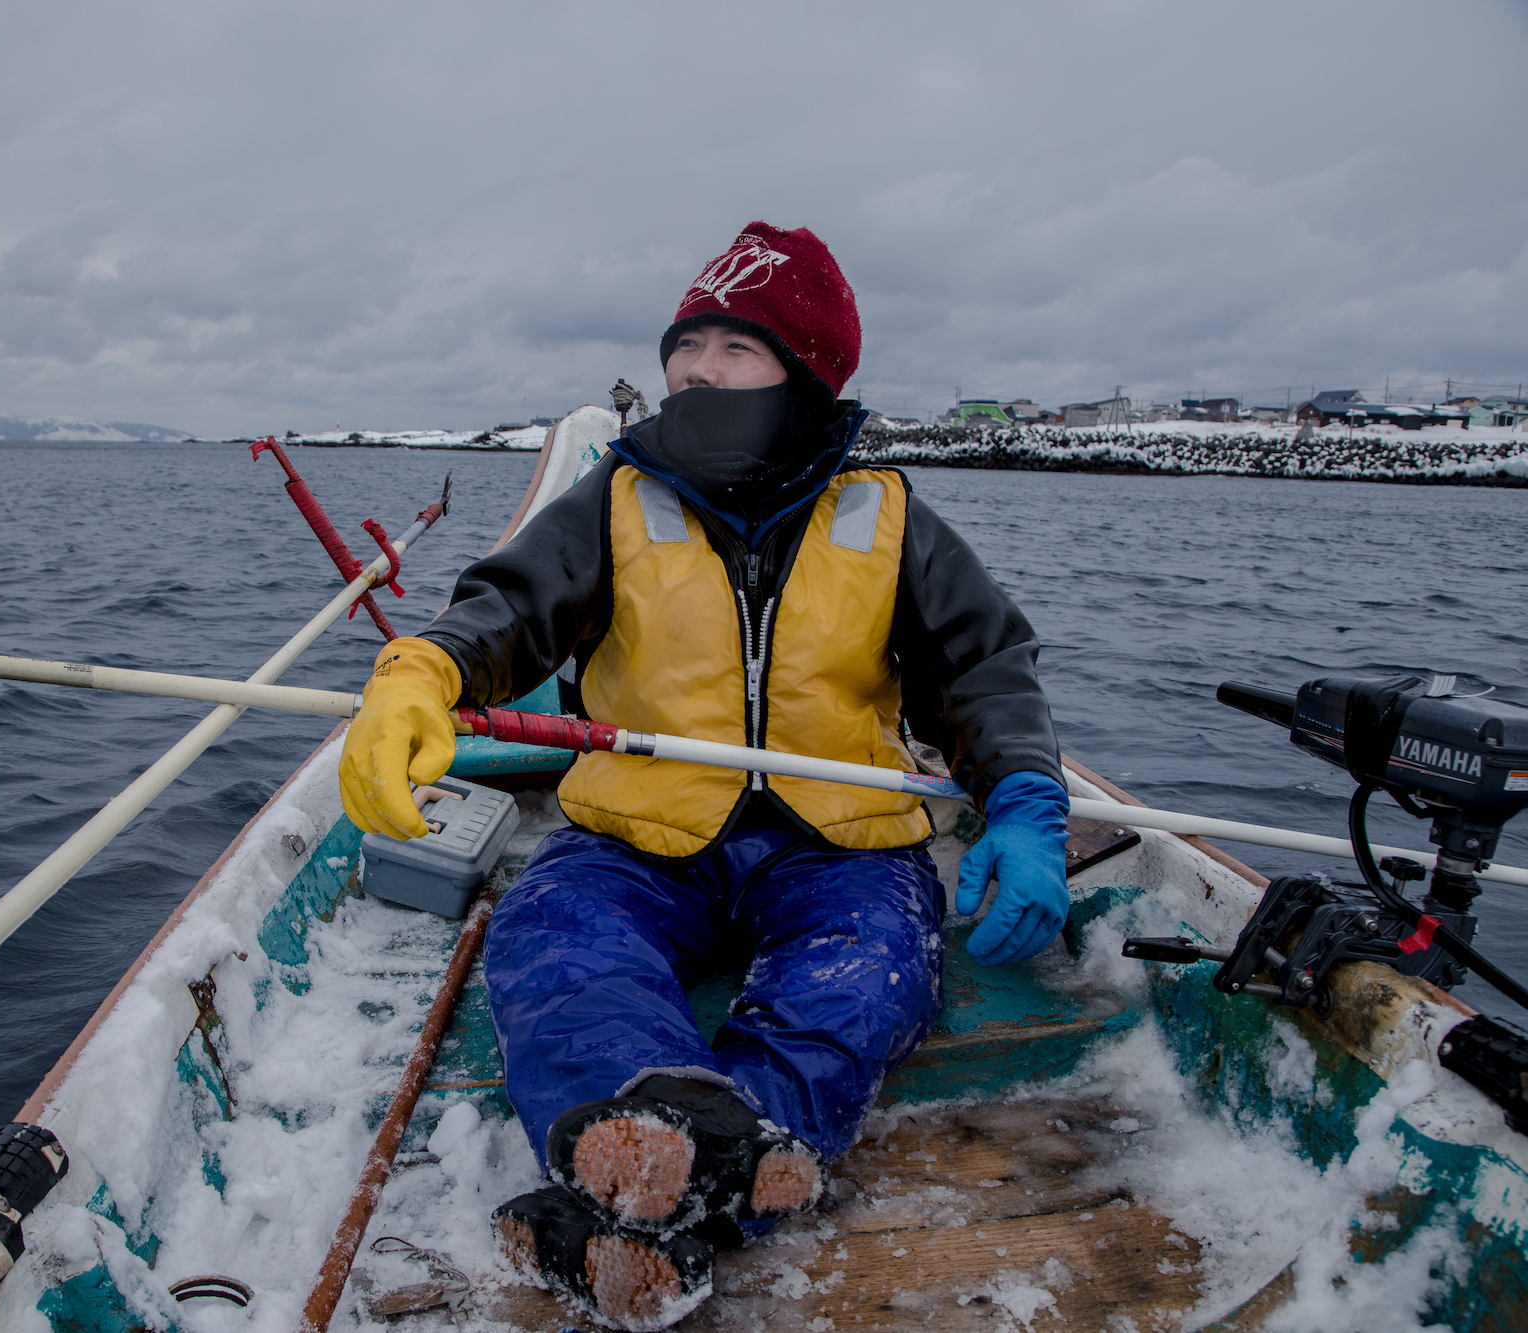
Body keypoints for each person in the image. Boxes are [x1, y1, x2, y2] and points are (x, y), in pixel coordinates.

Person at [339, 222, 1070, 1331]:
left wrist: (1022, 800)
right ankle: (652, 1127)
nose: (694, 369)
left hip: (840, 844)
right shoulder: (616, 499)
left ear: (805, 371)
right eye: (685, 343)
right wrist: (419, 670)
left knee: (863, 977)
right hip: (638, 836)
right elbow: (507, 607)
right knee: (556, 943)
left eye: (734, 346)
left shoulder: (891, 516)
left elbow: (981, 669)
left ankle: (649, 1194)